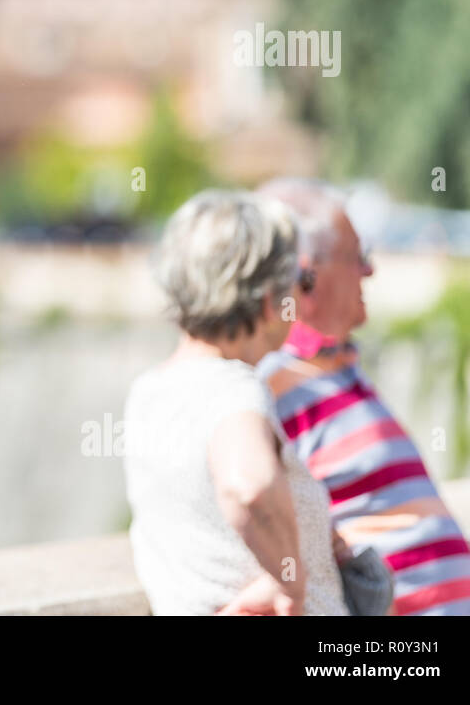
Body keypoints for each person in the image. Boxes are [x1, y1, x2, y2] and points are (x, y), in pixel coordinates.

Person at [256, 178, 470, 615]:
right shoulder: (273, 385)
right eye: (357, 256)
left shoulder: (337, 369)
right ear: (308, 273)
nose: (370, 271)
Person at [124, 189, 348, 615]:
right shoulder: (232, 389)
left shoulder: (148, 393)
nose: (303, 301)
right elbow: (251, 486)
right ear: (268, 301)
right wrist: (290, 587)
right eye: (301, 283)